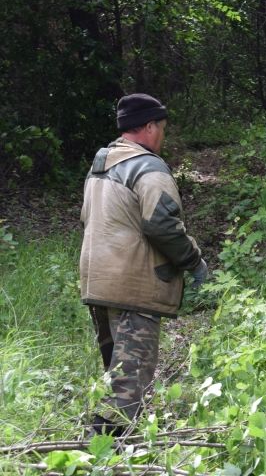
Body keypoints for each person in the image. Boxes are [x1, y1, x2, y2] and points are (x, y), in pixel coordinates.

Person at [79, 94, 207, 437]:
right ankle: (103, 456)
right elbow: (161, 223)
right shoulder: (148, 167)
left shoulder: (102, 163)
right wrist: (194, 262)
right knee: (128, 385)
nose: (162, 136)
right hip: (131, 287)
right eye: (161, 128)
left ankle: (112, 446)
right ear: (150, 127)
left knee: (116, 374)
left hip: (97, 283)